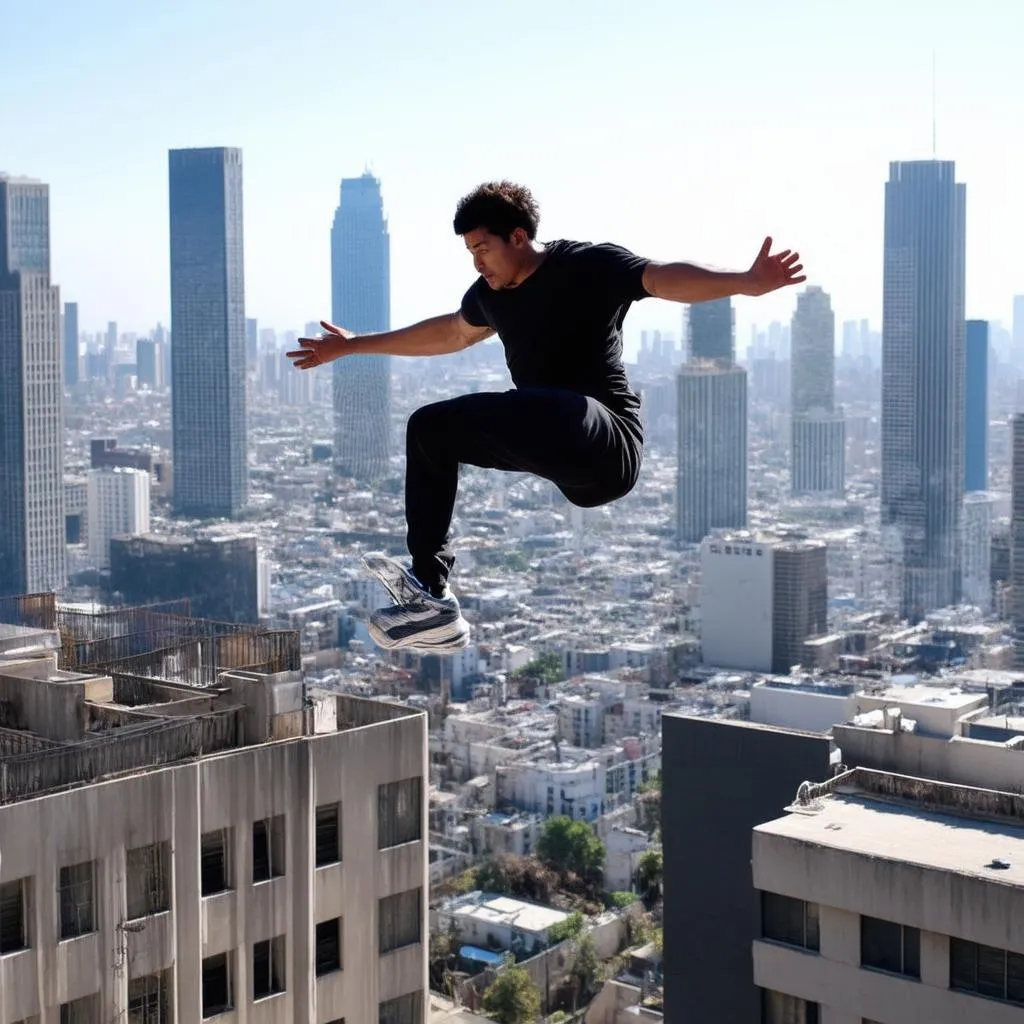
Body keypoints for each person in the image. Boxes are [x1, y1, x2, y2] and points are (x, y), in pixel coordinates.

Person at [287, 181, 804, 651]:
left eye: (482, 249)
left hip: (606, 441)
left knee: (554, 402)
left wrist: (744, 280)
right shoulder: (489, 297)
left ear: (517, 236)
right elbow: (449, 333)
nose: (476, 264)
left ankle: (435, 589)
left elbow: (665, 279)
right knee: (428, 428)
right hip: (557, 450)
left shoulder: (586, 265)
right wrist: (354, 346)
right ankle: (432, 599)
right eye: (469, 252)